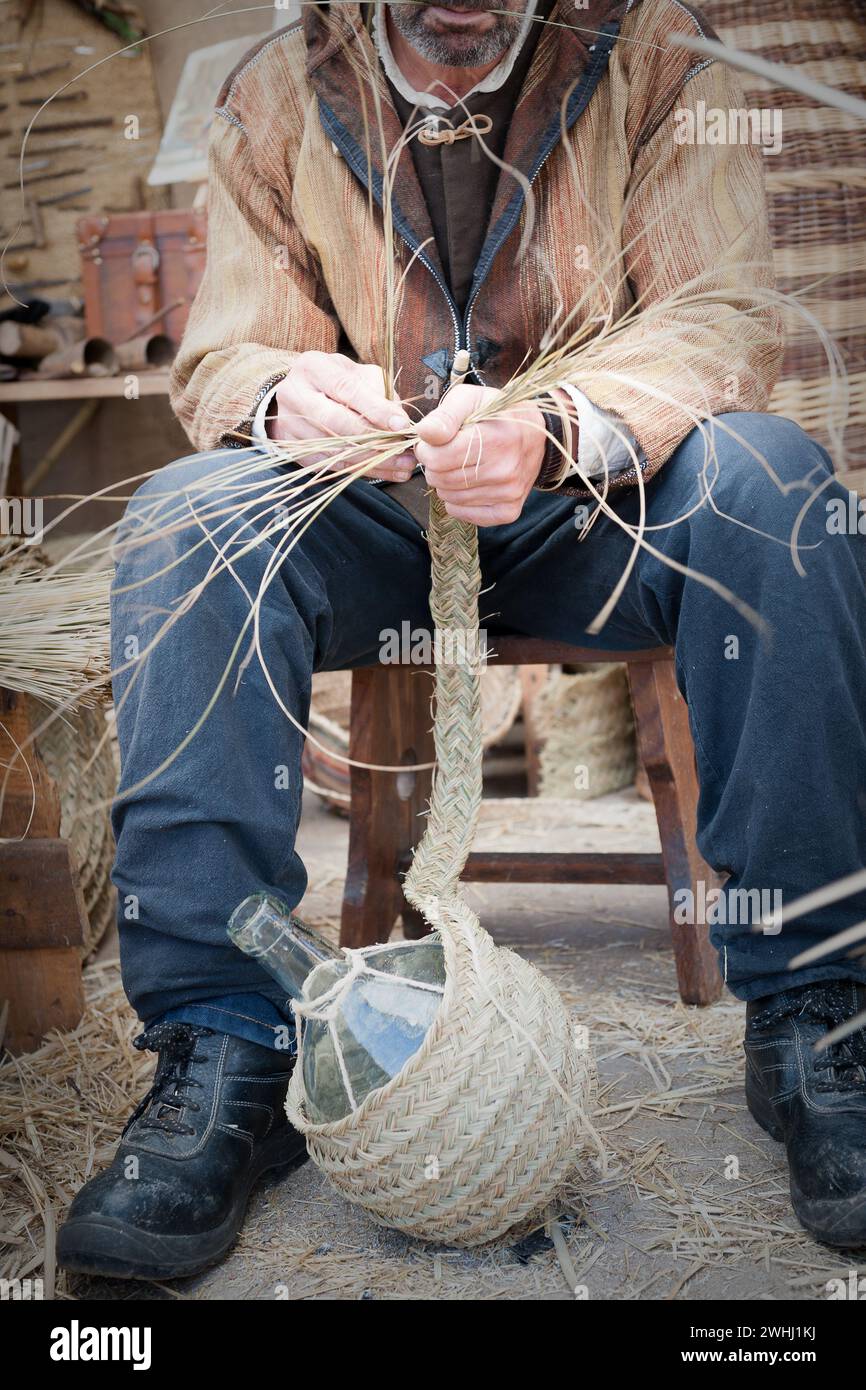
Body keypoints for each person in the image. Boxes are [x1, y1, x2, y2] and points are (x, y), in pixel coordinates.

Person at [58, 0, 866, 1279]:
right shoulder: (279, 87)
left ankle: (816, 1013)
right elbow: (219, 350)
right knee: (186, 513)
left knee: (774, 480)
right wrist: (284, 392)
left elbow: (719, 314)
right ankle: (223, 1045)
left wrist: (557, 428)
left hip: (603, 515)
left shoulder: (653, 51)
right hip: (367, 527)